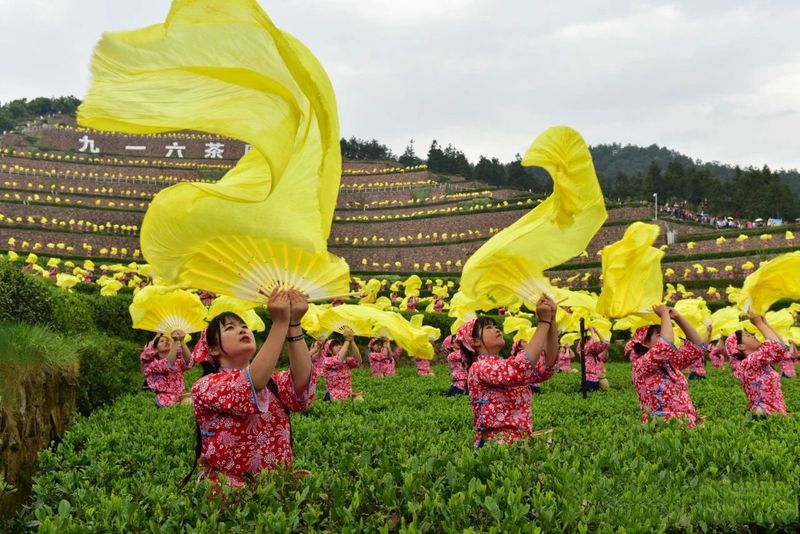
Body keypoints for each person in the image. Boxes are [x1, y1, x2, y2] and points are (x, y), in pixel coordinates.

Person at [186, 289, 315, 488]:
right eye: (230, 328)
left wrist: (294, 325)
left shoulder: (271, 381)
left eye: (245, 326)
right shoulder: (205, 386)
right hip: (229, 494)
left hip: (275, 490)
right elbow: (250, 383)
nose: (242, 330)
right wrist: (280, 323)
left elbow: (301, 382)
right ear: (212, 349)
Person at [461, 296, 559, 447]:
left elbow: (547, 364)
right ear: (475, 342)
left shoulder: (502, 363)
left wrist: (552, 320)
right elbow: (520, 367)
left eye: (495, 326)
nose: (496, 329)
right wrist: (543, 322)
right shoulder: (479, 367)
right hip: (495, 447)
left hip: (519, 443)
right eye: (488, 328)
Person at [630, 305, 706, 427]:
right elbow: (665, 345)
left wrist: (677, 317)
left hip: (686, 425)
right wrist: (664, 313)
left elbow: (697, 347)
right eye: (659, 335)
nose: (664, 336)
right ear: (645, 343)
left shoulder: (671, 363)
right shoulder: (640, 365)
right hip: (661, 428)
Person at [726, 312, 790, 417]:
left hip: (775, 412)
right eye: (748, 335)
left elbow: (782, 347)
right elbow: (775, 346)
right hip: (763, 414)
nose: (754, 336)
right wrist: (759, 324)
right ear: (741, 346)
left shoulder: (758, 360)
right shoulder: (746, 364)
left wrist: (765, 324)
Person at [140, 329, 192, 407]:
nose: (165, 342)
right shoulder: (153, 364)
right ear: (156, 349)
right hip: (164, 400)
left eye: (168, 340)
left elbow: (189, 361)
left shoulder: (177, 361)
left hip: (180, 397)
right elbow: (168, 364)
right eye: (162, 341)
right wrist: (159, 336)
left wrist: (182, 341)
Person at [321, 327, 363, 400]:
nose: (340, 347)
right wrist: (346, 340)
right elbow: (338, 360)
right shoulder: (326, 361)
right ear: (329, 351)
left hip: (348, 395)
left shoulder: (346, 361)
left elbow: (358, 360)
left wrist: (352, 340)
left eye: (339, 345)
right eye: (336, 345)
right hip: (333, 397)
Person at [583, 326, 610, 391]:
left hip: (597, 379)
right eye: (589, 339)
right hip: (588, 380)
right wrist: (592, 331)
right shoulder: (584, 349)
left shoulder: (596, 354)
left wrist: (596, 331)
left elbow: (604, 343)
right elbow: (593, 343)